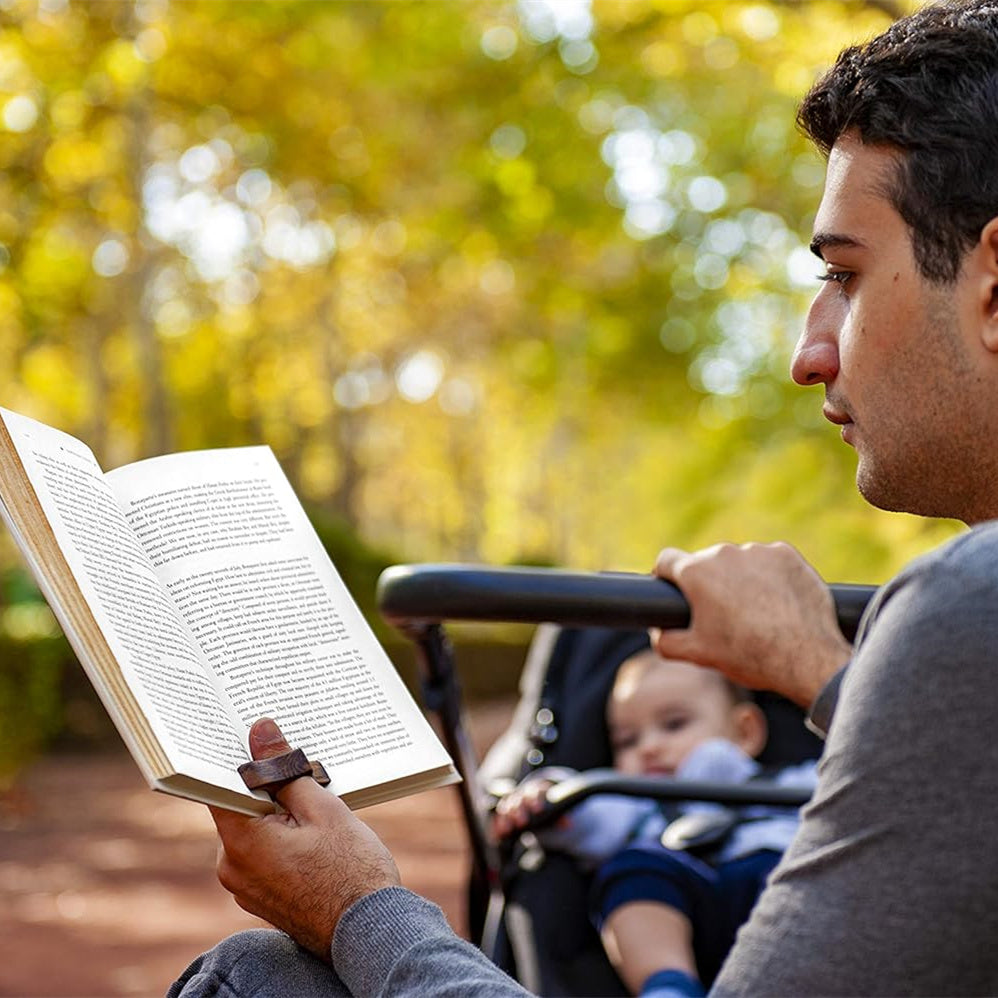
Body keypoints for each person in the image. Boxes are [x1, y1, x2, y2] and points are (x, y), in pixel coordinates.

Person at [170, 2, 998, 994]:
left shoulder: (962, 607)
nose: (805, 352)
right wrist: (825, 671)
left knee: (262, 974)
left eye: (845, 276)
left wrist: (360, 906)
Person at [492, 650, 815, 998]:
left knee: (809, 876)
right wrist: (548, 794)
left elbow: (852, 794)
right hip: (679, 899)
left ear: (745, 731)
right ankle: (667, 985)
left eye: (674, 724)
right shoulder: (634, 803)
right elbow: (584, 815)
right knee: (632, 874)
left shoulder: (791, 783)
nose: (649, 748)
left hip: (773, 894)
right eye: (627, 741)